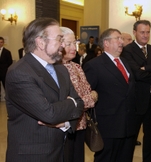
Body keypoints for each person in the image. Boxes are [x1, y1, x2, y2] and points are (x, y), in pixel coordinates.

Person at [5, 17, 84, 162]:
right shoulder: (20, 72)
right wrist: (71, 103)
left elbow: (80, 104)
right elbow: (49, 114)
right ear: (41, 42)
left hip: (61, 150)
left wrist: (66, 122)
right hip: (34, 155)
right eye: (59, 39)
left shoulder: (61, 69)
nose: (62, 45)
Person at [83, 28, 137, 162]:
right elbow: (88, 95)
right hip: (108, 126)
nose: (121, 42)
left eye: (121, 39)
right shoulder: (94, 65)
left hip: (128, 124)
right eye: (117, 38)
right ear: (106, 43)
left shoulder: (124, 62)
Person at [122, 20, 151, 162]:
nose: (145, 35)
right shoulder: (128, 50)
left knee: (150, 138)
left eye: (148, 32)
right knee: (131, 138)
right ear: (134, 32)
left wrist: (147, 68)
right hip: (136, 101)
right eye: (142, 32)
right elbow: (137, 74)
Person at [60, 27, 98, 162]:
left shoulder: (76, 66)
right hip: (64, 127)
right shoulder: (54, 69)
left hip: (81, 124)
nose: (74, 48)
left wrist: (86, 99)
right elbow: (73, 102)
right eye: (69, 44)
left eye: (74, 44)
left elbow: (88, 92)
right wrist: (88, 98)